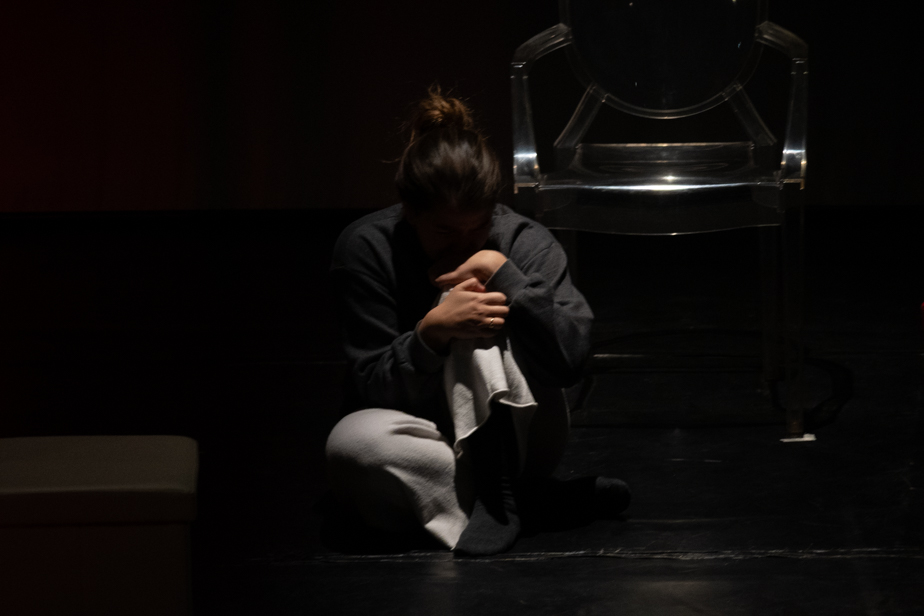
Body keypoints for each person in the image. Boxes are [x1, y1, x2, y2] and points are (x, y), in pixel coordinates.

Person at [325, 87, 628, 556]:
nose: (464, 246)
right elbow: (369, 386)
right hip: (427, 439)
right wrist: (430, 335)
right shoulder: (366, 247)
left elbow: (570, 360)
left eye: (479, 227)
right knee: (350, 448)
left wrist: (502, 273)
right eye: (445, 231)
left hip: (523, 433)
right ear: (409, 212)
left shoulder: (525, 241)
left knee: (476, 303)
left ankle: (497, 494)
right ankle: (528, 503)